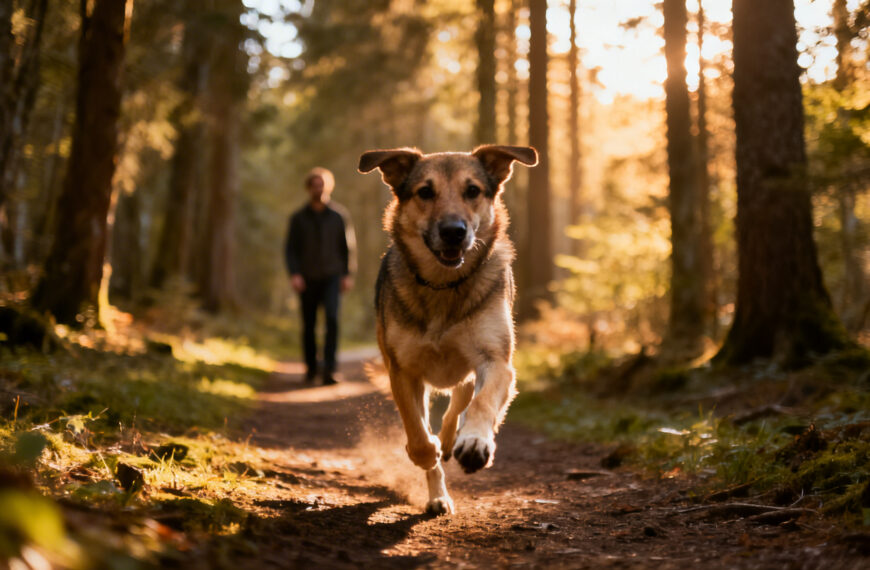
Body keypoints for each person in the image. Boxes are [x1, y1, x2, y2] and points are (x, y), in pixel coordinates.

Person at [284, 167, 356, 385]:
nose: (319, 188)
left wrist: (347, 274)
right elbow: (290, 249)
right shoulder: (297, 218)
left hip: (332, 277)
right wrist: (294, 274)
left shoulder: (338, 216)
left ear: (328, 186)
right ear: (309, 188)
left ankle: (330, 370)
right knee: (309, 324)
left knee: (332, 320)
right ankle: (310, 369)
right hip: (306, 278)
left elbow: (347, 248)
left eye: (322, 184)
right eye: (315, 185)